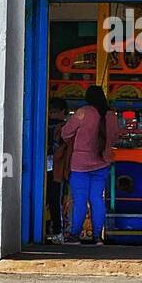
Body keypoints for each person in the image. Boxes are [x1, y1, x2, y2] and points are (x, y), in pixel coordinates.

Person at [58, 85, 120, 245]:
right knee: (97, 199)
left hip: (80, 165)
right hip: (102, 164)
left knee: (79, 200)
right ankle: (98, 236)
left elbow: (65, 133)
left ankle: (74, 236)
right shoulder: (112, 116)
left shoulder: (82, 113)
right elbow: (115, 138)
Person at [46, 97, 68, 242]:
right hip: (58, 168)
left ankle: (45, 228)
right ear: (64, 112)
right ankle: (58, 231)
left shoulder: (41, 124)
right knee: (56, 200)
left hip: (41, 168)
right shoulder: (65, 128)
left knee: (46, 198)